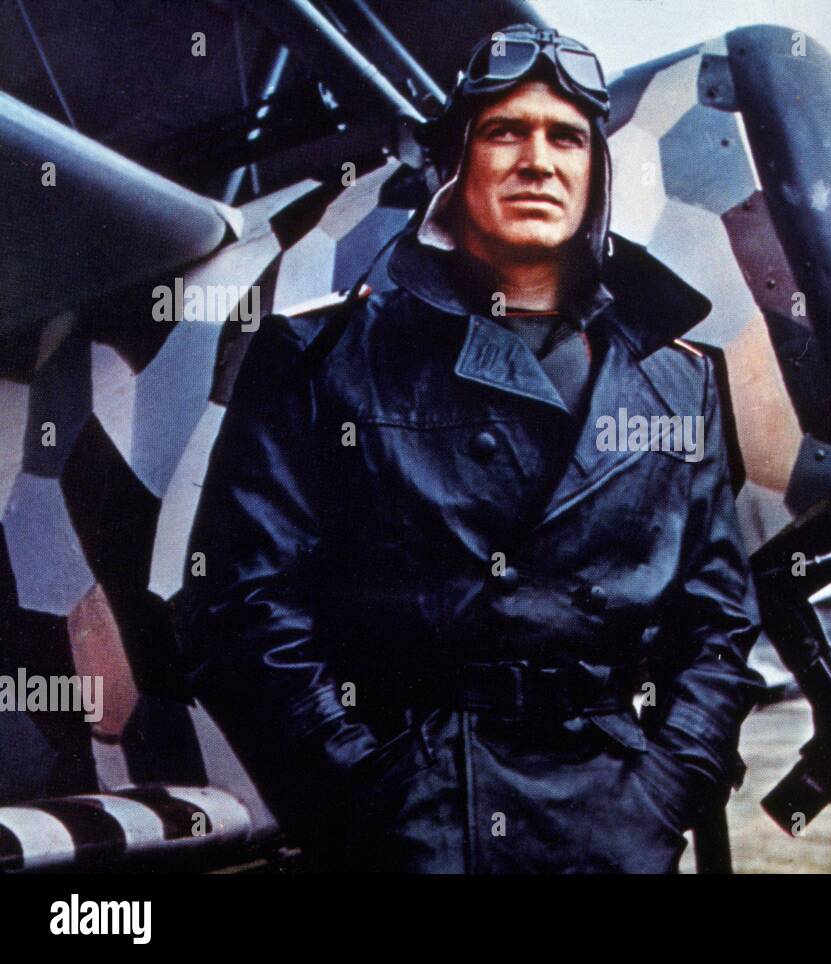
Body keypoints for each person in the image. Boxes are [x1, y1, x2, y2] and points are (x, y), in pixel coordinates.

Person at [174, 23, 765, 873]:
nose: (538, 161)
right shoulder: (321, 355)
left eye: (565, 137)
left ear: (596, 170)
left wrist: (664, 793)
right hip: (411, 825)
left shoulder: (680, 381)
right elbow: (239, 605)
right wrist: (363, 798)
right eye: (505, 132)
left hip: (611, 827)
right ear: (459, 164)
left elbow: (717, 625)